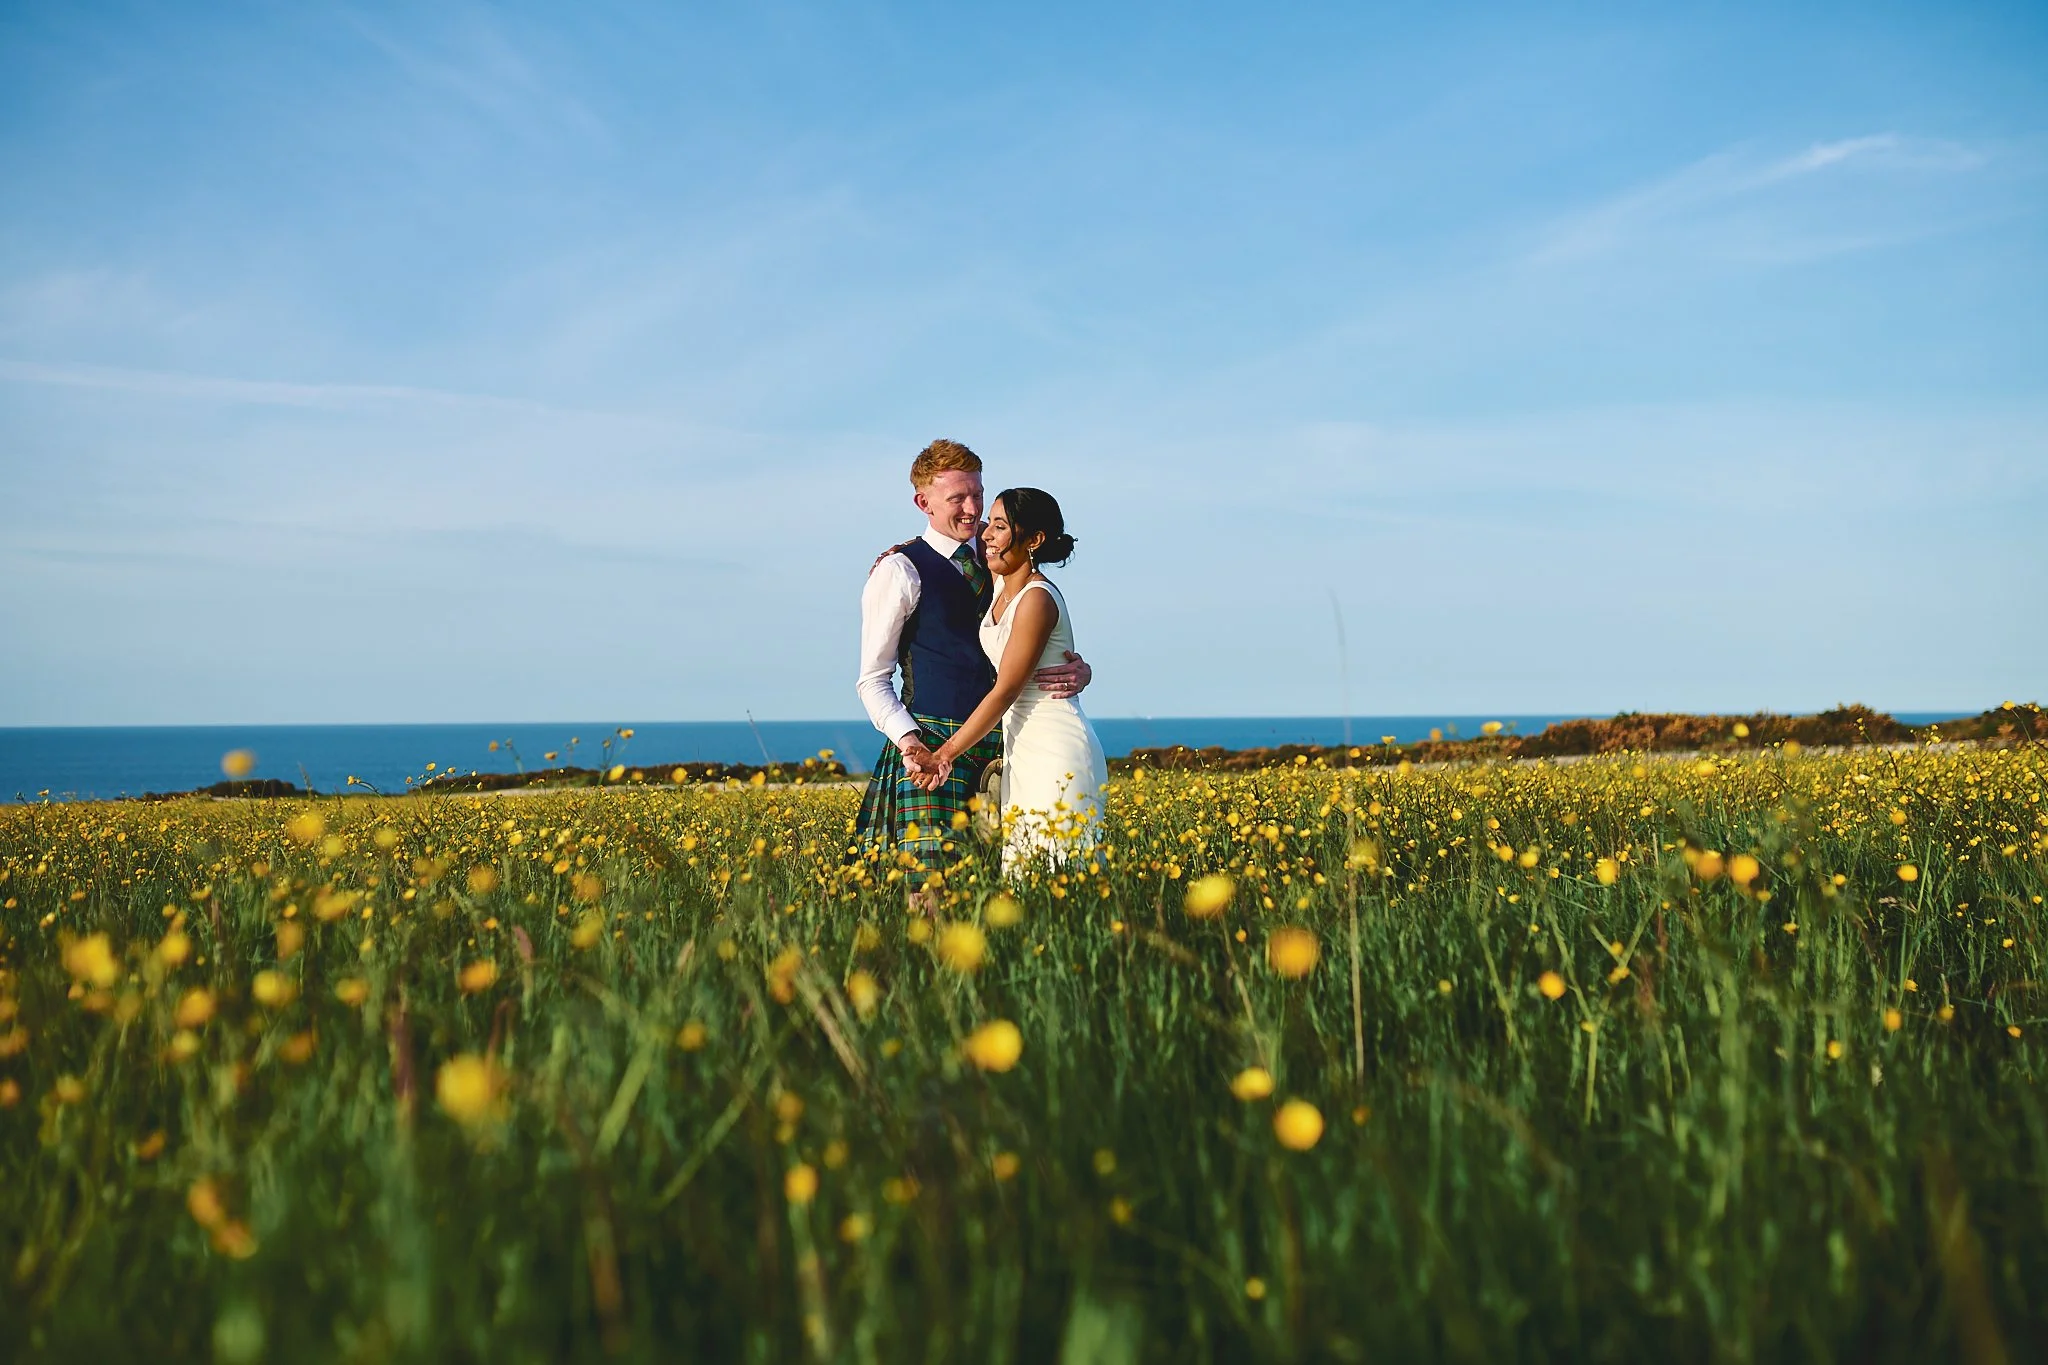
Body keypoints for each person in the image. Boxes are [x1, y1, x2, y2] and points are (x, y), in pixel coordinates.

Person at [851, 440, 1091, 874]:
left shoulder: (1002, 553)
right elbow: (872, 678)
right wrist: (910, 742)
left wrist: (1079, 666)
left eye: (977, 495)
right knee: (929, 883)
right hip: (929, 739)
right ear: (923, 502)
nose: (971, 509)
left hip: (1008, 743)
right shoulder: (899, 569)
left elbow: (1034, 627)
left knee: (998, 881)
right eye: (956, 498)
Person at [917, 488, 1108, 873]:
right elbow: (954, 528)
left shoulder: (1037, 598)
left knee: (1060, 872)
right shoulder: (1001, 577)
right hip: (1021, 747)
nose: (986, 534)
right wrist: (898, 553)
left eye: (1000, 526)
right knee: (1023, 873)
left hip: (1057, 749)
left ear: (1034, 540)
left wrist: (944, 754)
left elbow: (1006, 690)